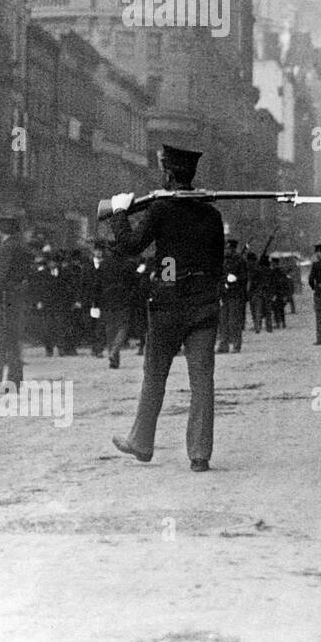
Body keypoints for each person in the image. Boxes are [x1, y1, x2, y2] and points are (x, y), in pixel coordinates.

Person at [107, 144, 223, 472]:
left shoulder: (160, 209)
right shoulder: (212, 215)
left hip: (169, 306)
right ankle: (199, 454)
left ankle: (142, 443)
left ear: (168, 174)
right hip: (202, 306)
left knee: (155, 376)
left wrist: (119, 212)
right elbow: (216, 264)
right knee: (203, 381)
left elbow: (130, 246)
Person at [0, 215, 29, 388]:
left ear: (1, 229)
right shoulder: (22, 247)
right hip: (16, 300)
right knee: (13, 341)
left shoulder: (6, 248)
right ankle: (15, 381)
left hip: (2, 300)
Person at [99, 242, 138, 369]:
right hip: (124, 299)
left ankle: (113, 360)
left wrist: (97, 300)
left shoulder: (104, 264)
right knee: (123, 327)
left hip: (107, 299)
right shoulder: (129, 265)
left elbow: (97, 283)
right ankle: (115, 351)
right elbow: (135, 283)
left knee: (110, 329)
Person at [218, 238, 248, 353]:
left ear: (233, 249)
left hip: (235, 294)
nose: (227, 250)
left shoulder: (240, 261)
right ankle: (223, 344)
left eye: (229, 248)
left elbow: (244, 277)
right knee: (223, 321)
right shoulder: (223, 261)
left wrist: (235, 278)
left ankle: (236, 344)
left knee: (234, 321)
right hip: (224, 294)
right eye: (226, 248)